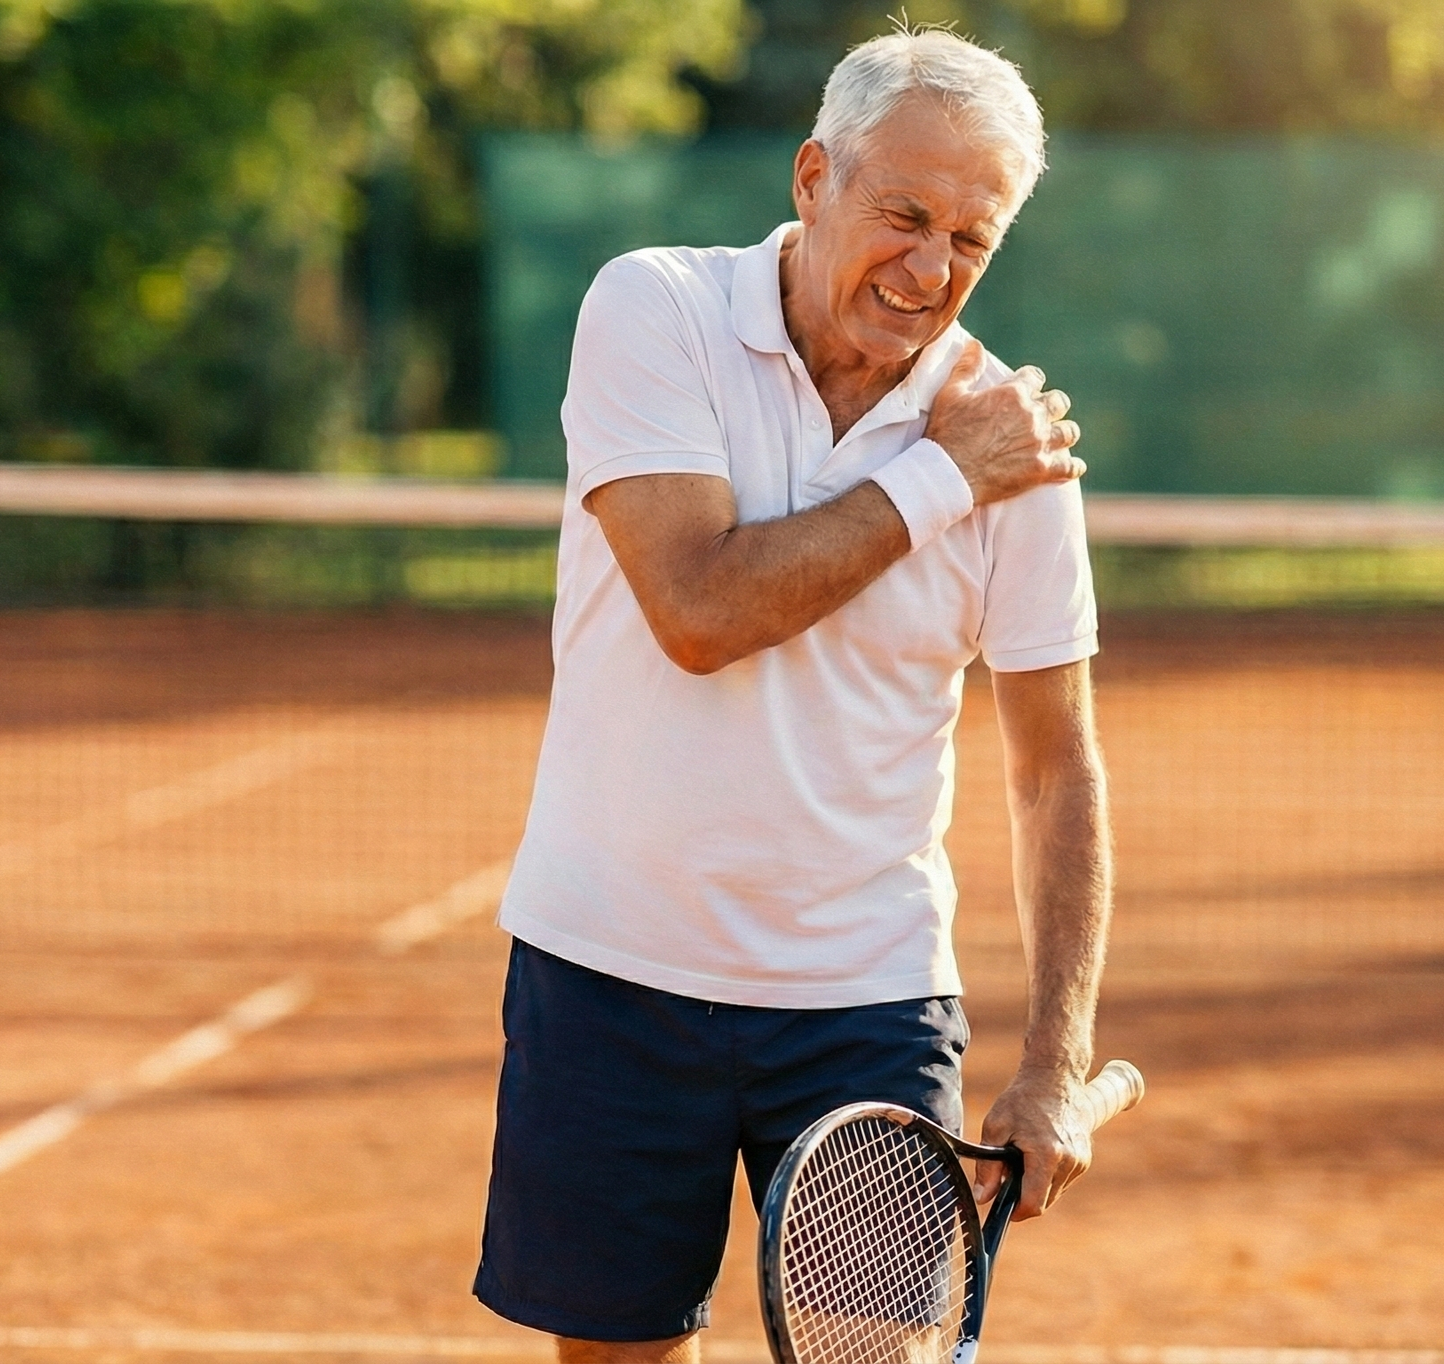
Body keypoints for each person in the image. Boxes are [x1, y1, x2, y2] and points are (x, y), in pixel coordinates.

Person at [475, 28, 1113, 1364]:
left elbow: (1057, 771)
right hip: (610, 970)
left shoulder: (1019, 449)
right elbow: (701, 612)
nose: (932, 269)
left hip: (866, 999)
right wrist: (945, 479)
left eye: (972, 239)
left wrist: (1057, 1056)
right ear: (814, 174)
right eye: (905, 215)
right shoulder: (655, 311)